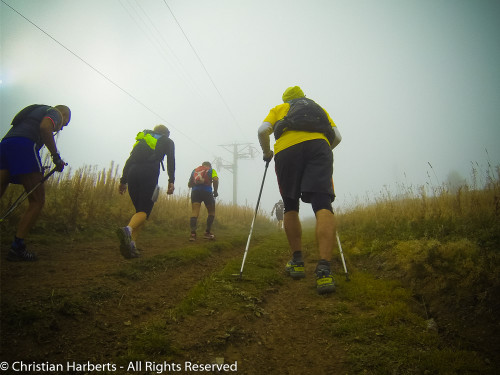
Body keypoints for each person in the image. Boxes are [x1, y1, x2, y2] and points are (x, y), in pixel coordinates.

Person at [257, 86, 342, 294]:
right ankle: (324, 270)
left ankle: (297, 262)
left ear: (286, 99)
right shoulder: (317, 108)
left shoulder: (280, 108)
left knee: (290, 204)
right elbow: (337, 137)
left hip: (286, 151)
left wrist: (267, 152)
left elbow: (262, 131)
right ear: (303, 97)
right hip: (319, 147)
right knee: (323, 203)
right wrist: (321, 150)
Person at [0, 104, 71, 261]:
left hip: (5, 145)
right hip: (24, 146)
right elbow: (46, 127)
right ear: (64, 115)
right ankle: (17, 248)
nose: (61, 128)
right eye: (65, 124)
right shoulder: (56, 112)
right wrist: (55, 157)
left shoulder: (35, 110)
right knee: (37, 201)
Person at [117, 124, 175, 258]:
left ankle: (132, 246)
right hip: (149, 173)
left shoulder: (143, 139)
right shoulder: (167, 141)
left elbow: (129, 160)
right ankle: (128, 231)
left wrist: (123, 181)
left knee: (139, 213)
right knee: (144, 211)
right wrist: (171, 180)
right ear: (166, 134)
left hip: (132, 173)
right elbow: (171, 160)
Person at [187, 161, 219, 241]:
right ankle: (207, 233)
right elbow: (215, 179)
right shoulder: (211, 170)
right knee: (211, 212)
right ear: (209, 166)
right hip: (207, 191)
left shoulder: (195, 170)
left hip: (195, 192)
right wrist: (215, 191)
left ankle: (193, 234)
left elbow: (189, 184)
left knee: (195, 212)